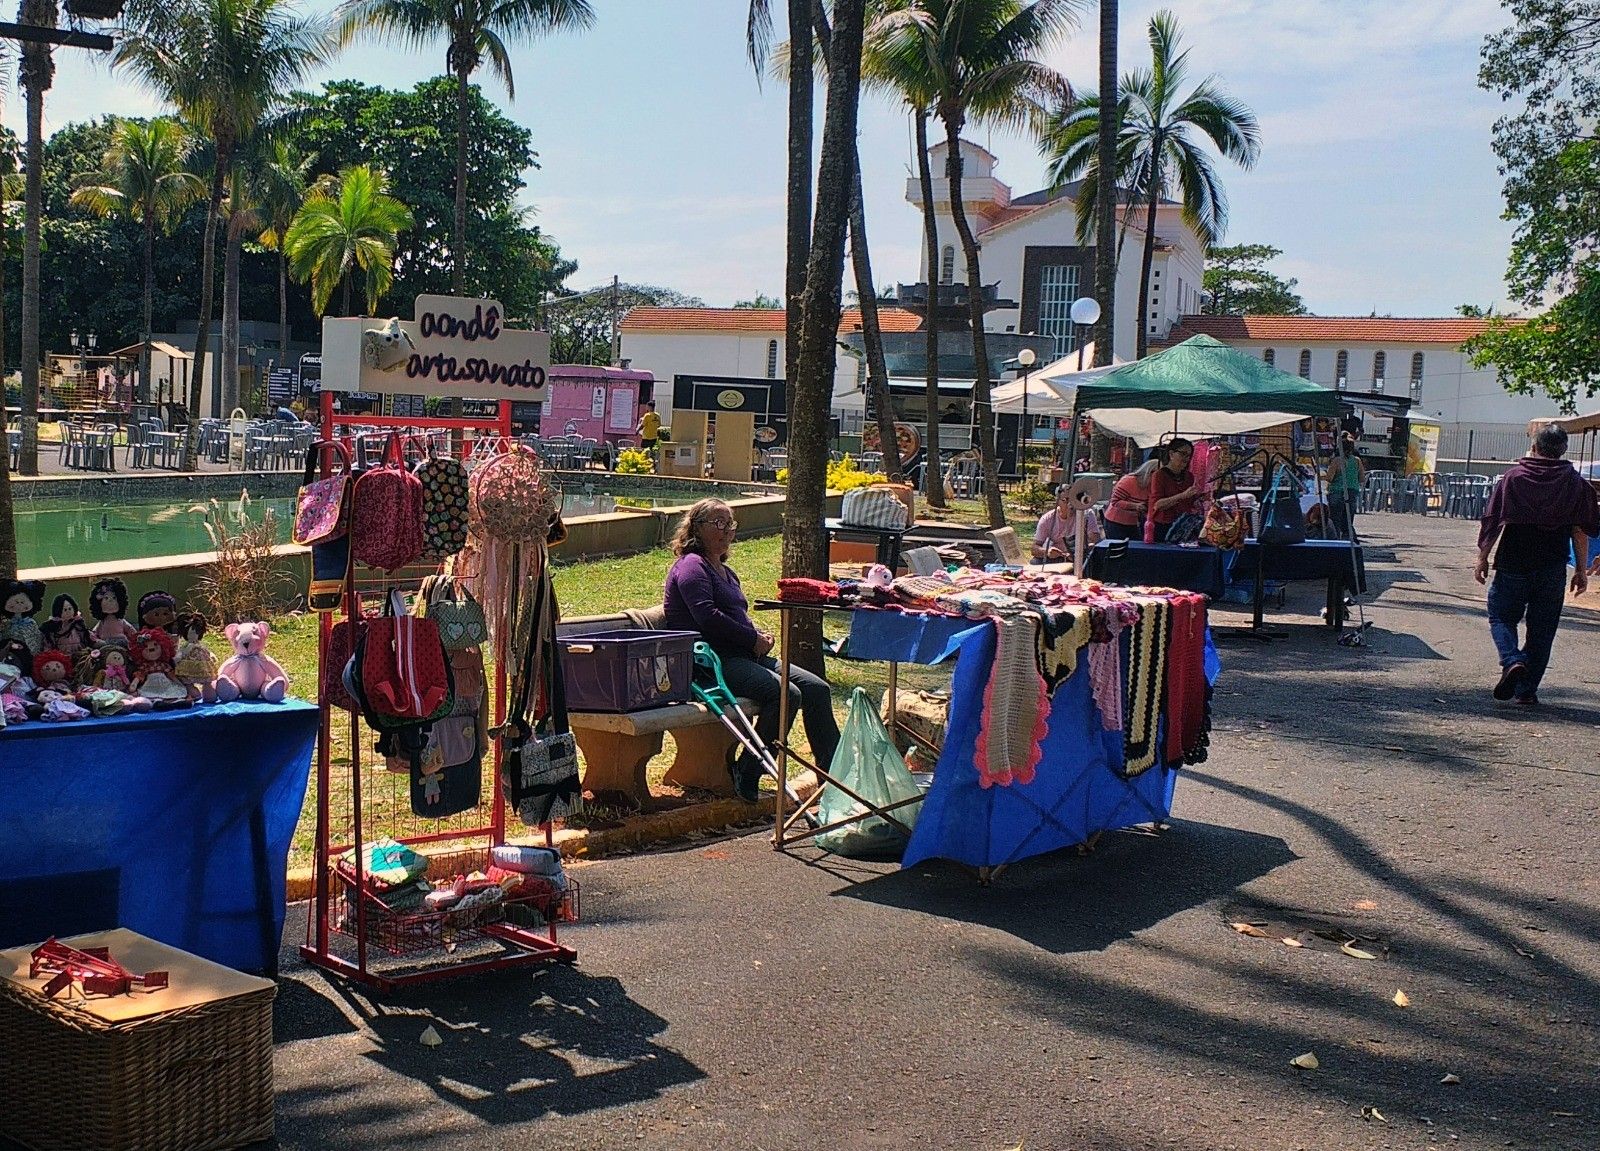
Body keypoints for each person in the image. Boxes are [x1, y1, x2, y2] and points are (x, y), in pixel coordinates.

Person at [663, 499, 840, 799]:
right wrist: (751, 639)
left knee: (816, 689)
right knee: (784, 694)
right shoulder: (692, 566)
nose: (726, 530)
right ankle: (751, 766)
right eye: (718, 523)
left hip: (743, 655)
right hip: (710, 661)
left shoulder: (726, 572)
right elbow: (707, 617)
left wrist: (757, 635)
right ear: (697, 527)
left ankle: (833, 774)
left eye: (729, 524)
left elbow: (735, 616)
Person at [1475, 423, 1599, 706]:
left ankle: (1512, 660)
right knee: (1542, 630)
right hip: (1552, 566)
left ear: (1534, 447)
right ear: (1564, 450)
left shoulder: (1514, 478)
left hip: (1513, 563)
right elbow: (1580, 531)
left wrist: (1483, 557)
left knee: (1501, 617)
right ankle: (1527, 690)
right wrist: (1580, 570)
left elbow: (1494, 522)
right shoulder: (1575, 484)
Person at [1148, 438, 1204, 541]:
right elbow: (1158, 505)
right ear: (1171, 454)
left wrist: (1199, 497)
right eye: (1183, 454)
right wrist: (1182, 495)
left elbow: (1189, 502)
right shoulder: (1160, 475)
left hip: (1183, 525)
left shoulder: (1189, 476)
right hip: (1163, 525)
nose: (1186, 458)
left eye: (1189, 456)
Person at [1032, 486, 1103, 563]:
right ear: (1057, 501)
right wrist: (1047, 552)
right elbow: (1034, 548)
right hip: (1059, 556)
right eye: (1065, 500)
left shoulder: (1086, 514)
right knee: (1035, 562)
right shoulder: (1048, 519)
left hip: (1081, 556)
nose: (1070, 504)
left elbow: (1095, 540)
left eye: (1073, 500)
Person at [1102, 458, 1161, 540]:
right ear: (1150, 473)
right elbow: (1115, 502)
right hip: (1115, 521)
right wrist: (1134, 506)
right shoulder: (1129, 481)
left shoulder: (1152, 487)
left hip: (1132, 522)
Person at [1325, 432, 1365, 539]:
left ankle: (1336, 540)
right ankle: (1349, 540)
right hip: (1352, 491)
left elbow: (1329, 478)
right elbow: (1361, 478)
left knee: (1335, 519)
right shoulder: (1357, 461)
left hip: (1337, 492)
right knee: (1348, 520)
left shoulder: (1337, 461)